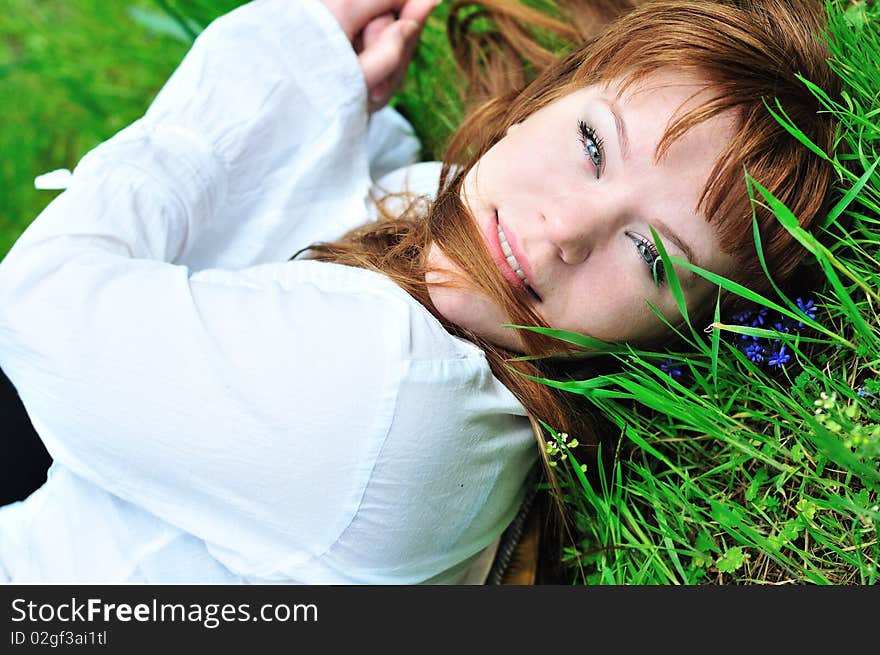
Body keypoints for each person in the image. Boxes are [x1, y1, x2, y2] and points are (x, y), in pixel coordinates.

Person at [0, 0, 839, 584]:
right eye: (592, 143)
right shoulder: (470, 322)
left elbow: (36, 306)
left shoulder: (386, 402)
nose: (562, 232)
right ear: (541, 102)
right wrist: (337, 105)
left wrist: (281, 60)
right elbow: (384, 204)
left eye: (652, 257)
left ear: (675, 337)